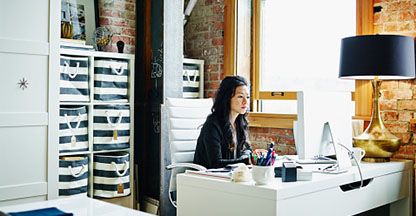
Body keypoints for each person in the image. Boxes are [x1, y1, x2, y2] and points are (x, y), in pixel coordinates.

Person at [193, 76, 253, 169]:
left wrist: (249, 157)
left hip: (230, 176)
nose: (245, 102)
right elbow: (216, 163)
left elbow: (247, 149)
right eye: (240, 96)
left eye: (248, 97)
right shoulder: (212, 125)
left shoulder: (239, 122)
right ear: (227, 98)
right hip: (207, 178)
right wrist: (245, 161)